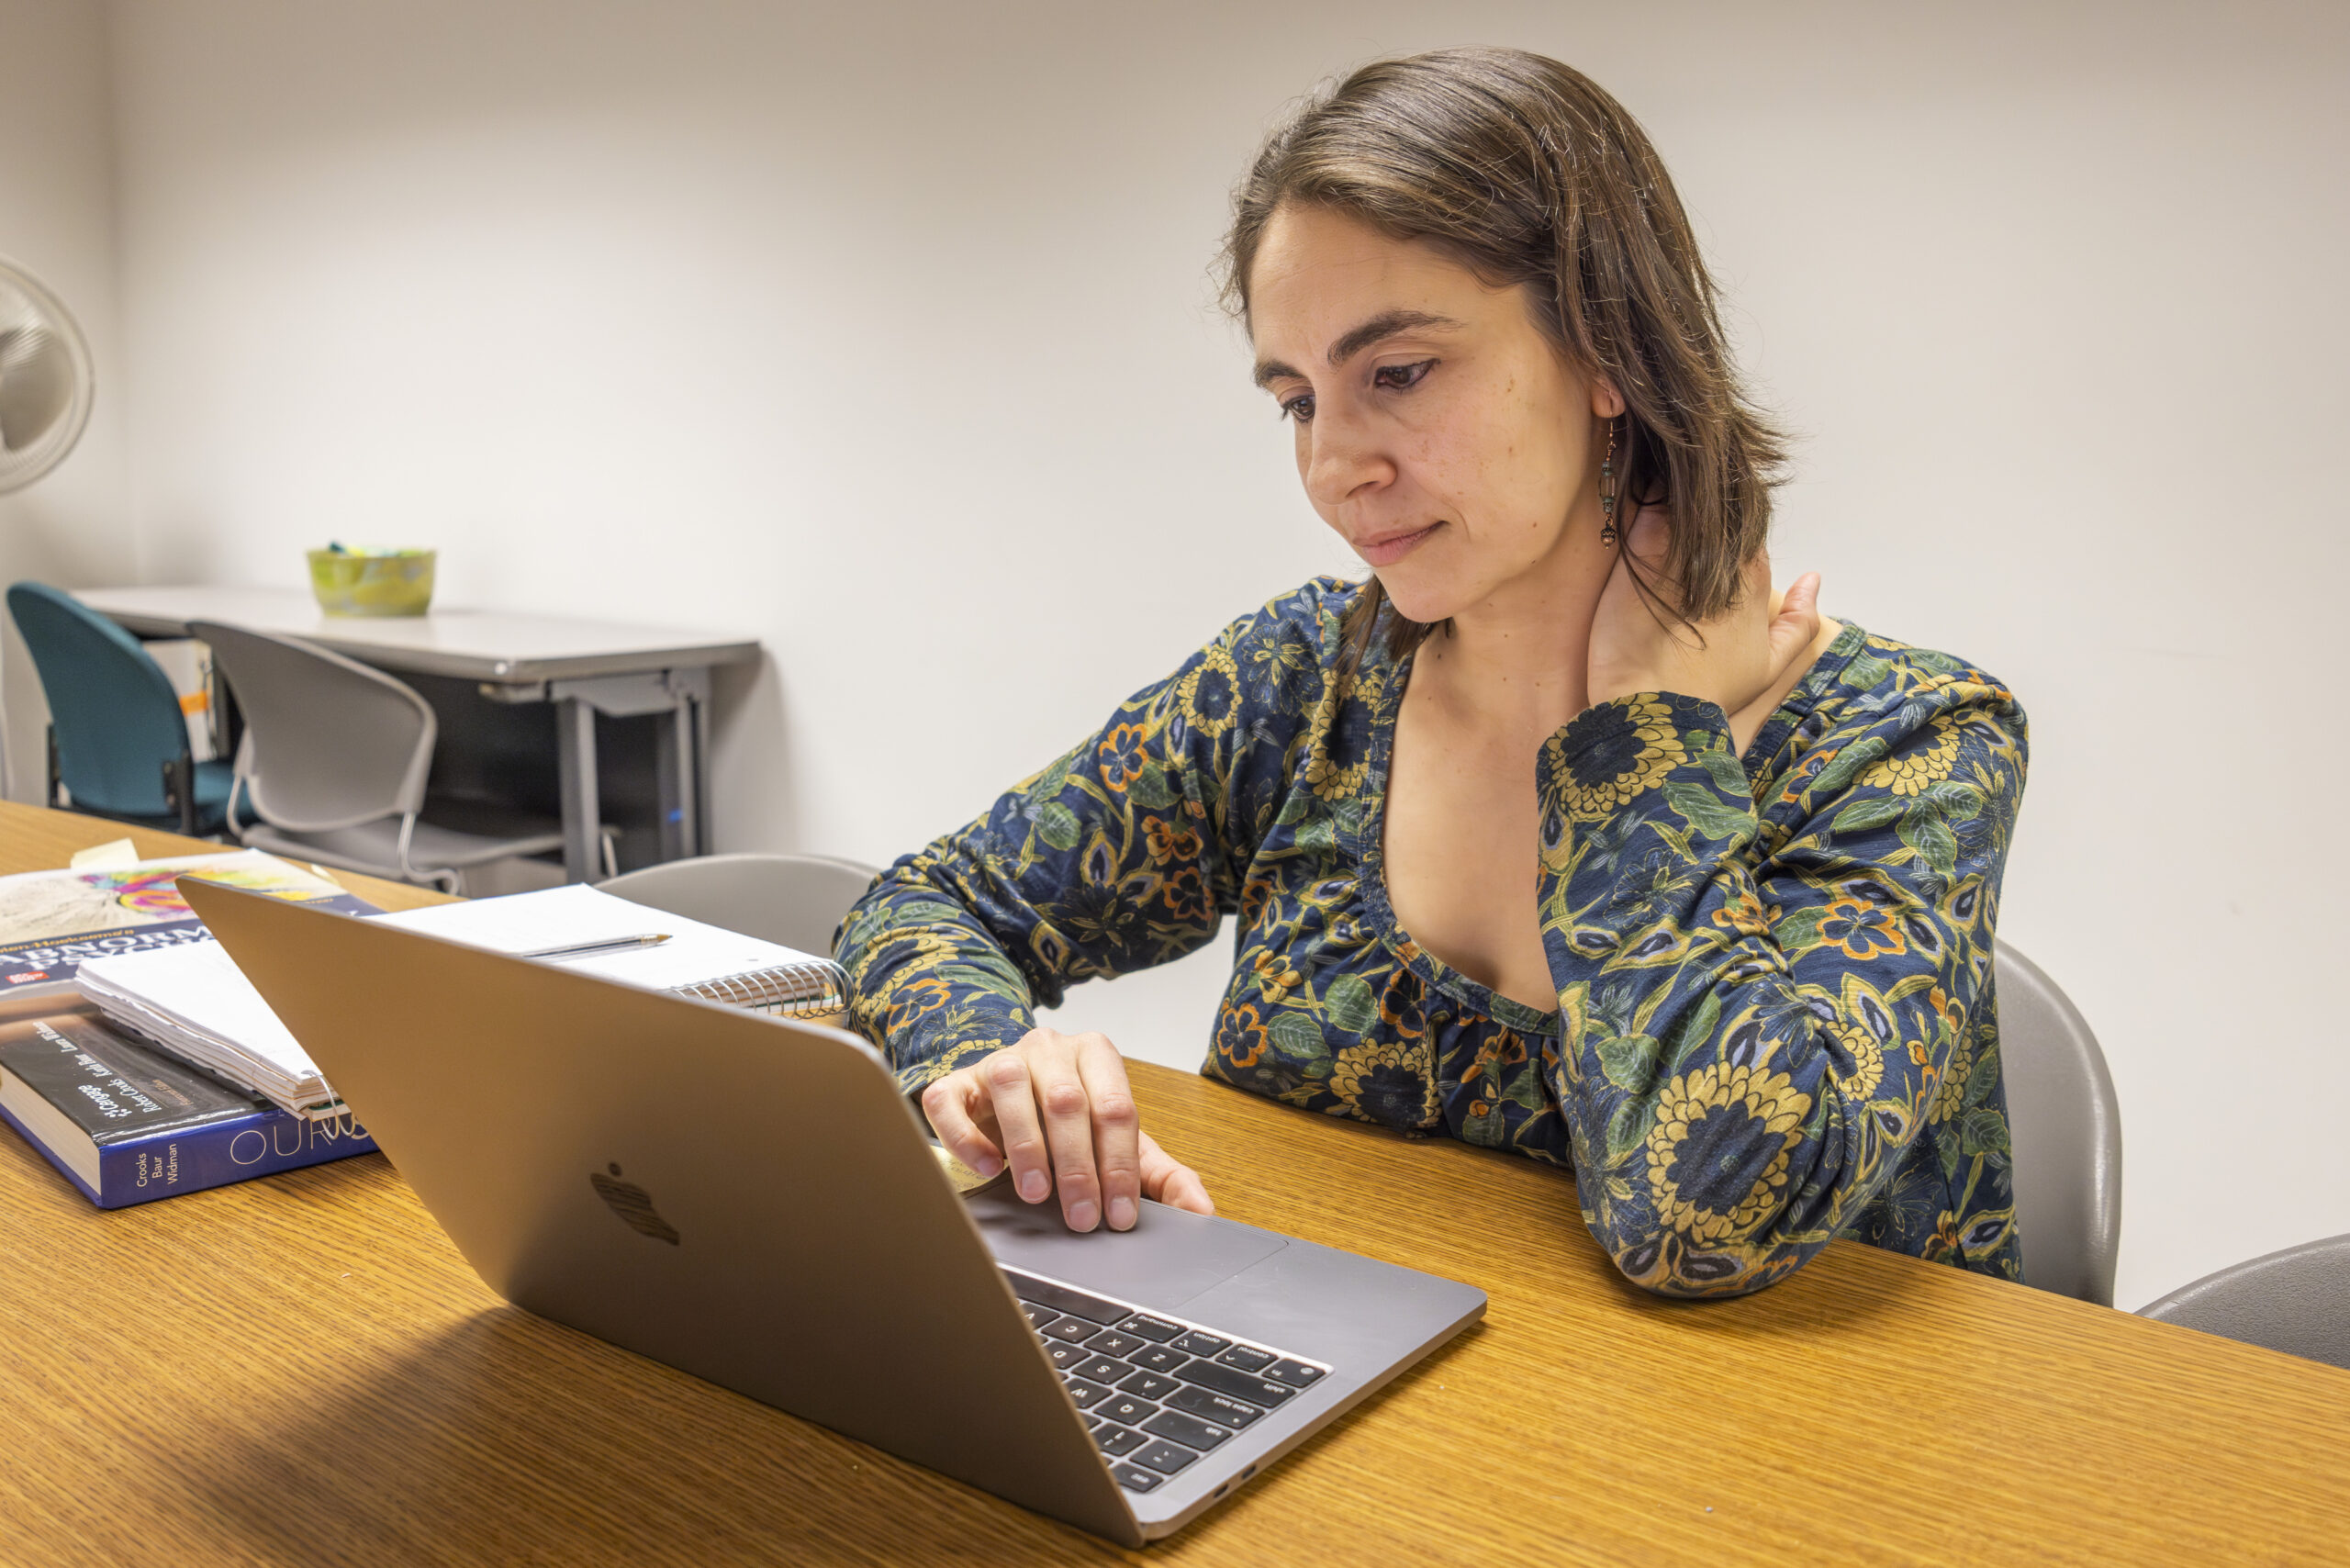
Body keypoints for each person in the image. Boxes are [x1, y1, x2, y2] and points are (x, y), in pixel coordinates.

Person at [837, 48, 2027, 1297]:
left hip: (1793, 1468)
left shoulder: (1909, 740)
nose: (1333, 464)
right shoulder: (1301, 684)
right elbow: (925, 906)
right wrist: (983, 1064)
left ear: (1606, 351)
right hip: (1364, 1413)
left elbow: (1706, 1222)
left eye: (1397, 376)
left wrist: (1650, 735)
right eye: (1299, 400)